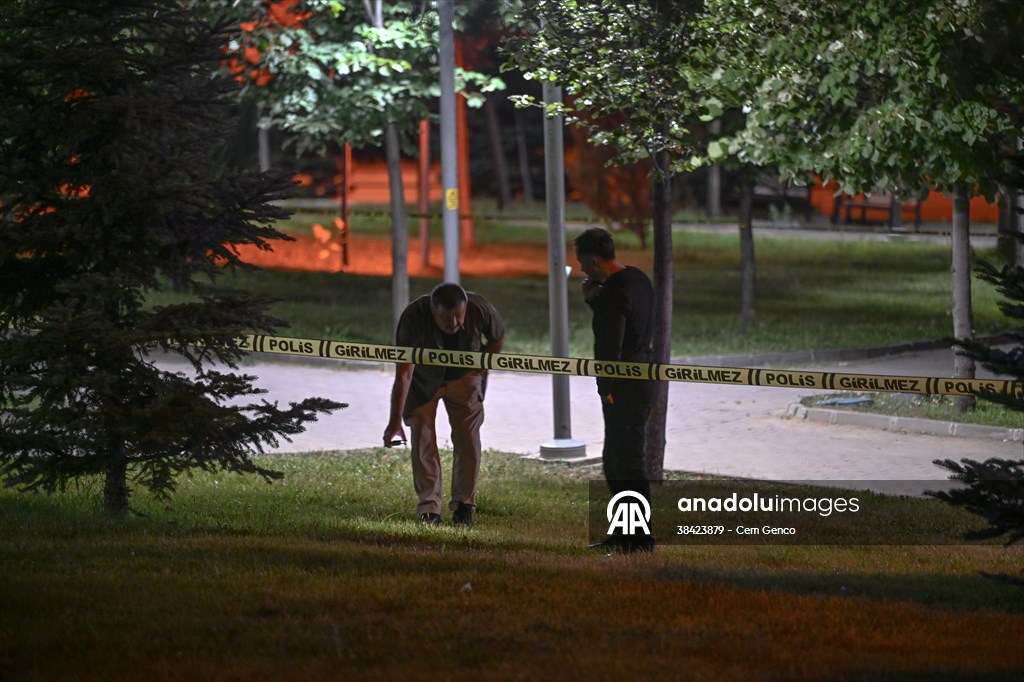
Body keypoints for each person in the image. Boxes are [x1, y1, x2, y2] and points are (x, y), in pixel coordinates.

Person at [383, 282, 505, 526]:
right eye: (445, 319)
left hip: (465, 377)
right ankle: (429, 509)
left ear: (466, 307)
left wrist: (479, 369)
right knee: (422, 437)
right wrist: (395, 421)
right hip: (423, 379)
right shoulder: (413, 317)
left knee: (468, 438)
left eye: (459, 316)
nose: (454, 323)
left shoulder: (480, 308)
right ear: (432, 310)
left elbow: (497, 337)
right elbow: (404, 372)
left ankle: (464, 505)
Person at [574, 227, 657, 553]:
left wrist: (605, 388)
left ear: (594, 260)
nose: (580, 267)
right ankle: (626, 533)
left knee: (625, 463)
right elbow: (630, 325)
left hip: (625, 388)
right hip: (644, 380)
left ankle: (640, 539)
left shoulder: (612, 294)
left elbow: (610, 346)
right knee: (617, 459)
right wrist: (598, 301)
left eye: (582, 261)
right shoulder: (637, 278)